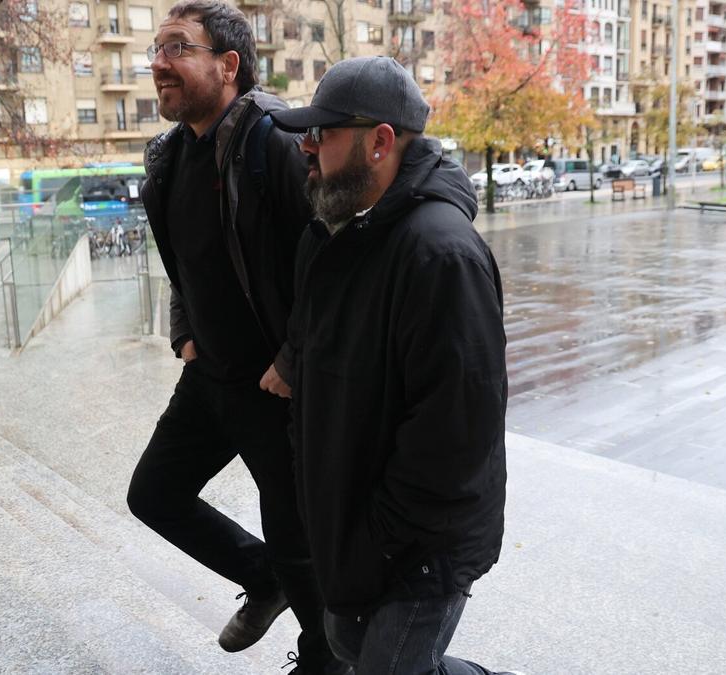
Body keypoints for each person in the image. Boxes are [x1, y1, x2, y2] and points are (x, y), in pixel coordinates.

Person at [266, 57, 515, 674]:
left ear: (379, 142)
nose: (308, 147)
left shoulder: (441, 254)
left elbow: (455, 438)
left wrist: (377, 541)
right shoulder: (328, 236)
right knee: (349, 646)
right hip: (353, 528)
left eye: (324, 133)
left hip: (417, 545)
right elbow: (313, 351)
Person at [125, 2, 339, 673]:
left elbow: (332, 257)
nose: (160, 62)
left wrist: (294, 357)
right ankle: (261, 573)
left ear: (228, 65)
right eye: (157, 48)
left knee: (297, 536)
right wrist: (185, 331)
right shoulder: (167, 156)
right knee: (153, 493)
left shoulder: (273, 141)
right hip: (209, 375)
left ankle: (326, 659)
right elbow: (183, 261)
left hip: (273, 386)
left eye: (178, 48)